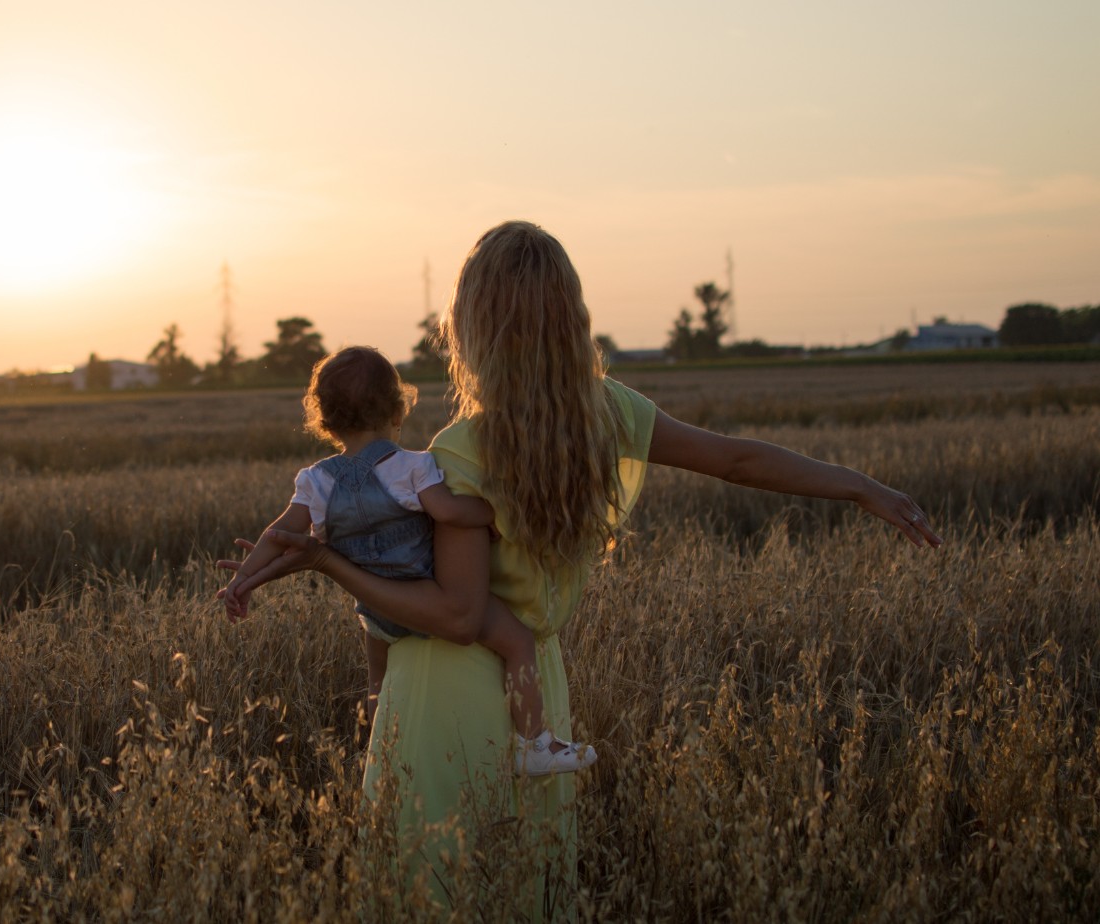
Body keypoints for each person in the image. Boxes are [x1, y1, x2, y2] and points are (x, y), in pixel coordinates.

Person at [218, 220, 943, 911]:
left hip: (445, 692)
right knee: (524, 888)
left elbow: (458, 615)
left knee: (436, 894)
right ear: (570, 319)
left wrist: (328, 567)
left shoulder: (460, 450)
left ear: (472, 329)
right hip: (538, 694)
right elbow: (737, 458)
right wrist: (858, 484)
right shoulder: (610, 414)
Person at [222, 345, 595, 775]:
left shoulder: (316, 481)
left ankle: (382, 747)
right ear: (399, 411)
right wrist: (493, 515)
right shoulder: (411, 467)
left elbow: (277, 535)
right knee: (517, 642)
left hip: (377, 612)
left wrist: (244, 580)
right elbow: (450, 513)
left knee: (377, 682)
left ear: (325, 422)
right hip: (426, 595)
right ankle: (534, 743)